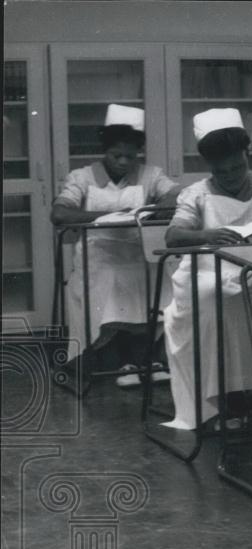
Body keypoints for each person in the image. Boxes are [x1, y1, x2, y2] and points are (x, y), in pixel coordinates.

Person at [162, 108, 252, 429]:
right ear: (210, 167)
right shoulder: (196, 194)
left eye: (238, 166)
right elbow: (173, 235)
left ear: (248, 155)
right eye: (223, 171)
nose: (232, 175)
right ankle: (229, 404)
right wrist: (206, 235)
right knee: (222, 304)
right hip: (206, 272)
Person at [51, 104, 181, 386]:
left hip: (139, 255)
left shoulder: (151, 175)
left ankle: (147, 357)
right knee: (110, 283)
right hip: (98, 259)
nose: (123, 162)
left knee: (161, 281)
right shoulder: (82, 177)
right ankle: (119, 360)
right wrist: (113, 218)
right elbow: (60, 214)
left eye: (130, 156)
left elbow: (177, 195)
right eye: (116, 155)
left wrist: (156, 208)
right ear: (104, 151)